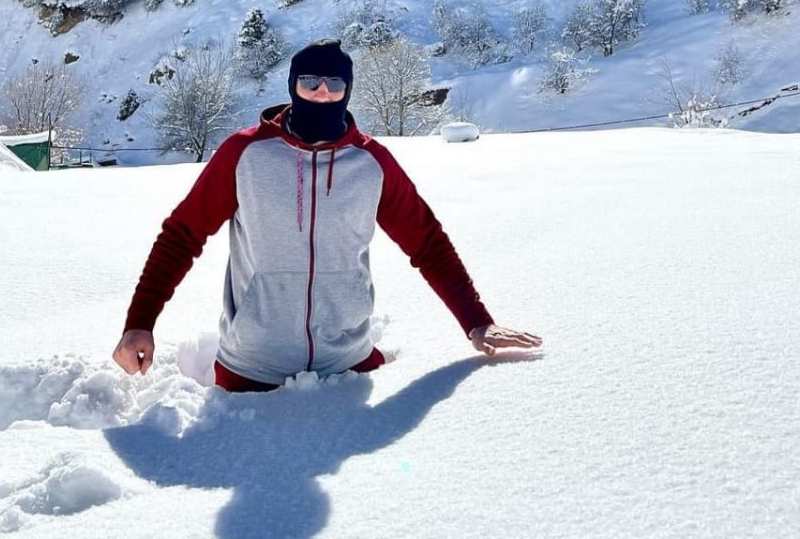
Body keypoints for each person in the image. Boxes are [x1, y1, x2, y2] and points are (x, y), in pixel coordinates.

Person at [113, 38, 542, 392]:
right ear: (292, 86)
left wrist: (477, 324)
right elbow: (182, 235)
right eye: (310, 82)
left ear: (348, 90)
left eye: (334, 84)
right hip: (251, 370)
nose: (322, 93)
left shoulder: (372, 163)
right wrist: (140, 322)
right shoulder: (244, 154)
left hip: (350, 365)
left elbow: (427, 243)